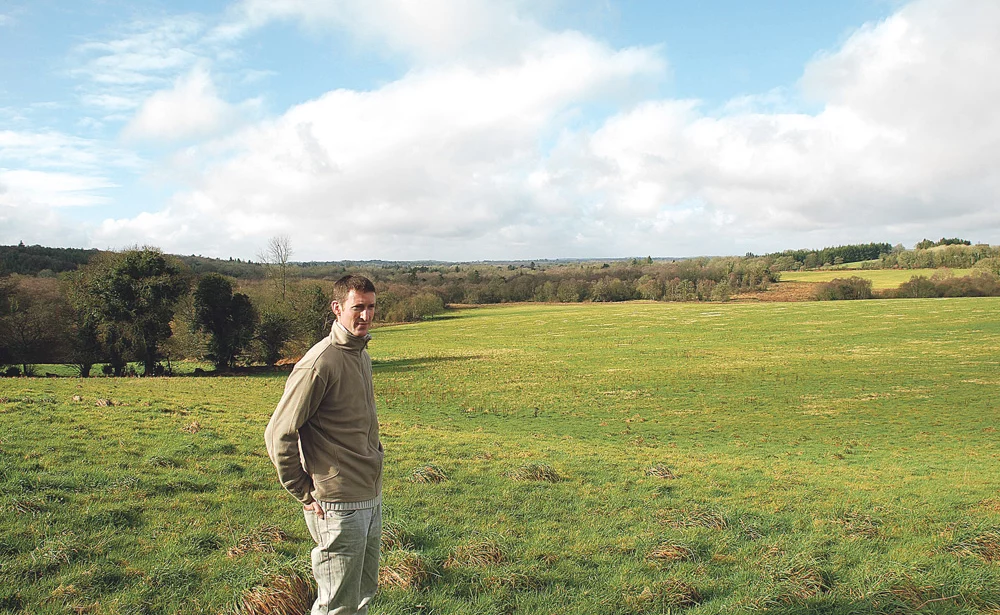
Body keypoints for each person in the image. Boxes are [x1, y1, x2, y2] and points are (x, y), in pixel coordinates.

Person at [264, 274, 383, 615]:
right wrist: (302, 489)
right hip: (337, 504)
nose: (365, 315)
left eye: (371, 307)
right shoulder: (320, 362)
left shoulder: (360, 354)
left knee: (361, 594)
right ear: (337, 308)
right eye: (357, 307)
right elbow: (278, 432)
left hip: (368, 495)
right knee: (337, 605)